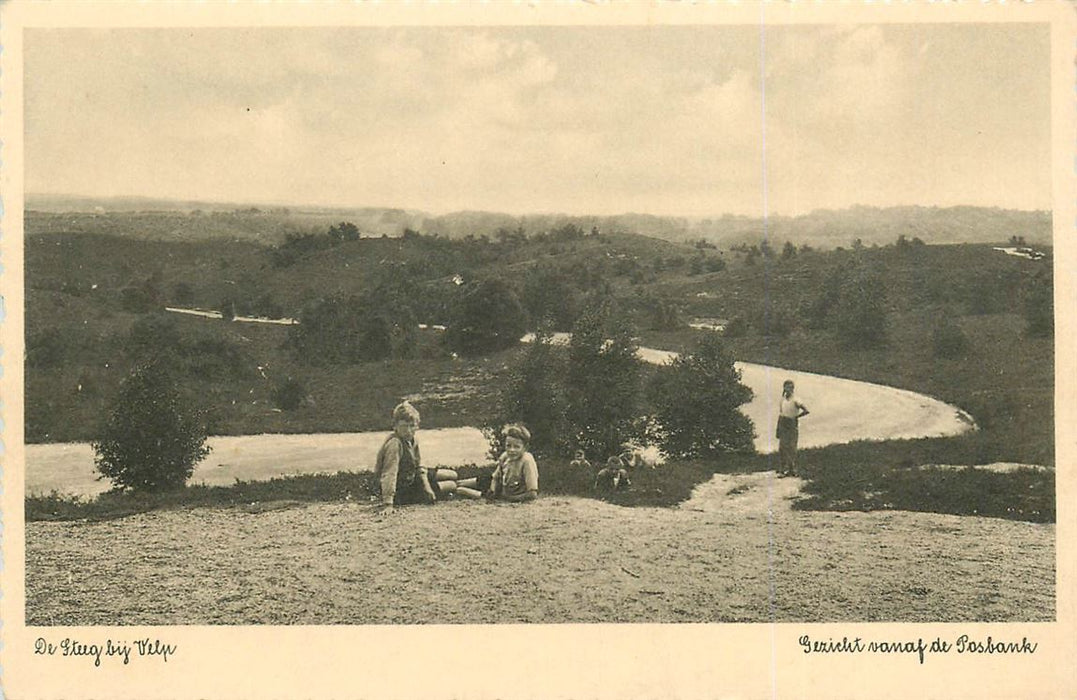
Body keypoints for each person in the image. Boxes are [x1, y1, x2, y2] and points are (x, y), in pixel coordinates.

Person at [374, 401, 481, 510]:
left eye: (412, 426)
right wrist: (388, 503)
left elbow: (419, 466)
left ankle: (464, 484)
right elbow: (389, 473)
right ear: (395, 426)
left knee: (453, 474)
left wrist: (426, 485)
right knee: (450, 485)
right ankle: (461, 489)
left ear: (417, 426)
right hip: (401, 488)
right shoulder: (395, 444)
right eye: (404, 426)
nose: (408, 431)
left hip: (412, 476)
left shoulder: (412, 440)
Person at [486, 424, 539, 502]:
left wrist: (509, 499)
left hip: (512, 494)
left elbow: (532, 494)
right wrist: (492, 489)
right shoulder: (505, 456)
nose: (511, 450)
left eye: (516, 447)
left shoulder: (526, 460)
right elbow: (495, 478)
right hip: (501, 488)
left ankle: (462, 490)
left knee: (464, 491)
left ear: (525, 448)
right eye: (508, 446)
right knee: (475, 482)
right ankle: (462, 484)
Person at [775, 380, 809, 477]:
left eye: (790, 388)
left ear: (793, 389)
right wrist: (778, 428)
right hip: (783, 422)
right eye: (786, 387)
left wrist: (796, 417)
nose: (788, 389)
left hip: (792, 423)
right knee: (782, 447)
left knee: (792, 447)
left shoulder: (796, 400)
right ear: (784, 388)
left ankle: (791, 469)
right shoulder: (782, 399)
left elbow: (806, 410)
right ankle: (782, 469)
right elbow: (781, 413)